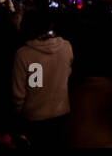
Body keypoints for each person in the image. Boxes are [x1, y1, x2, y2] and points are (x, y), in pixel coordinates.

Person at [10, 11, 73, 147]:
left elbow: (18, 93)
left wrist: (17, 113)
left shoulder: (23, 54)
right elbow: (67, 75)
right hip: (62, 113)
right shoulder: (66, 47)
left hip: (33, 117)